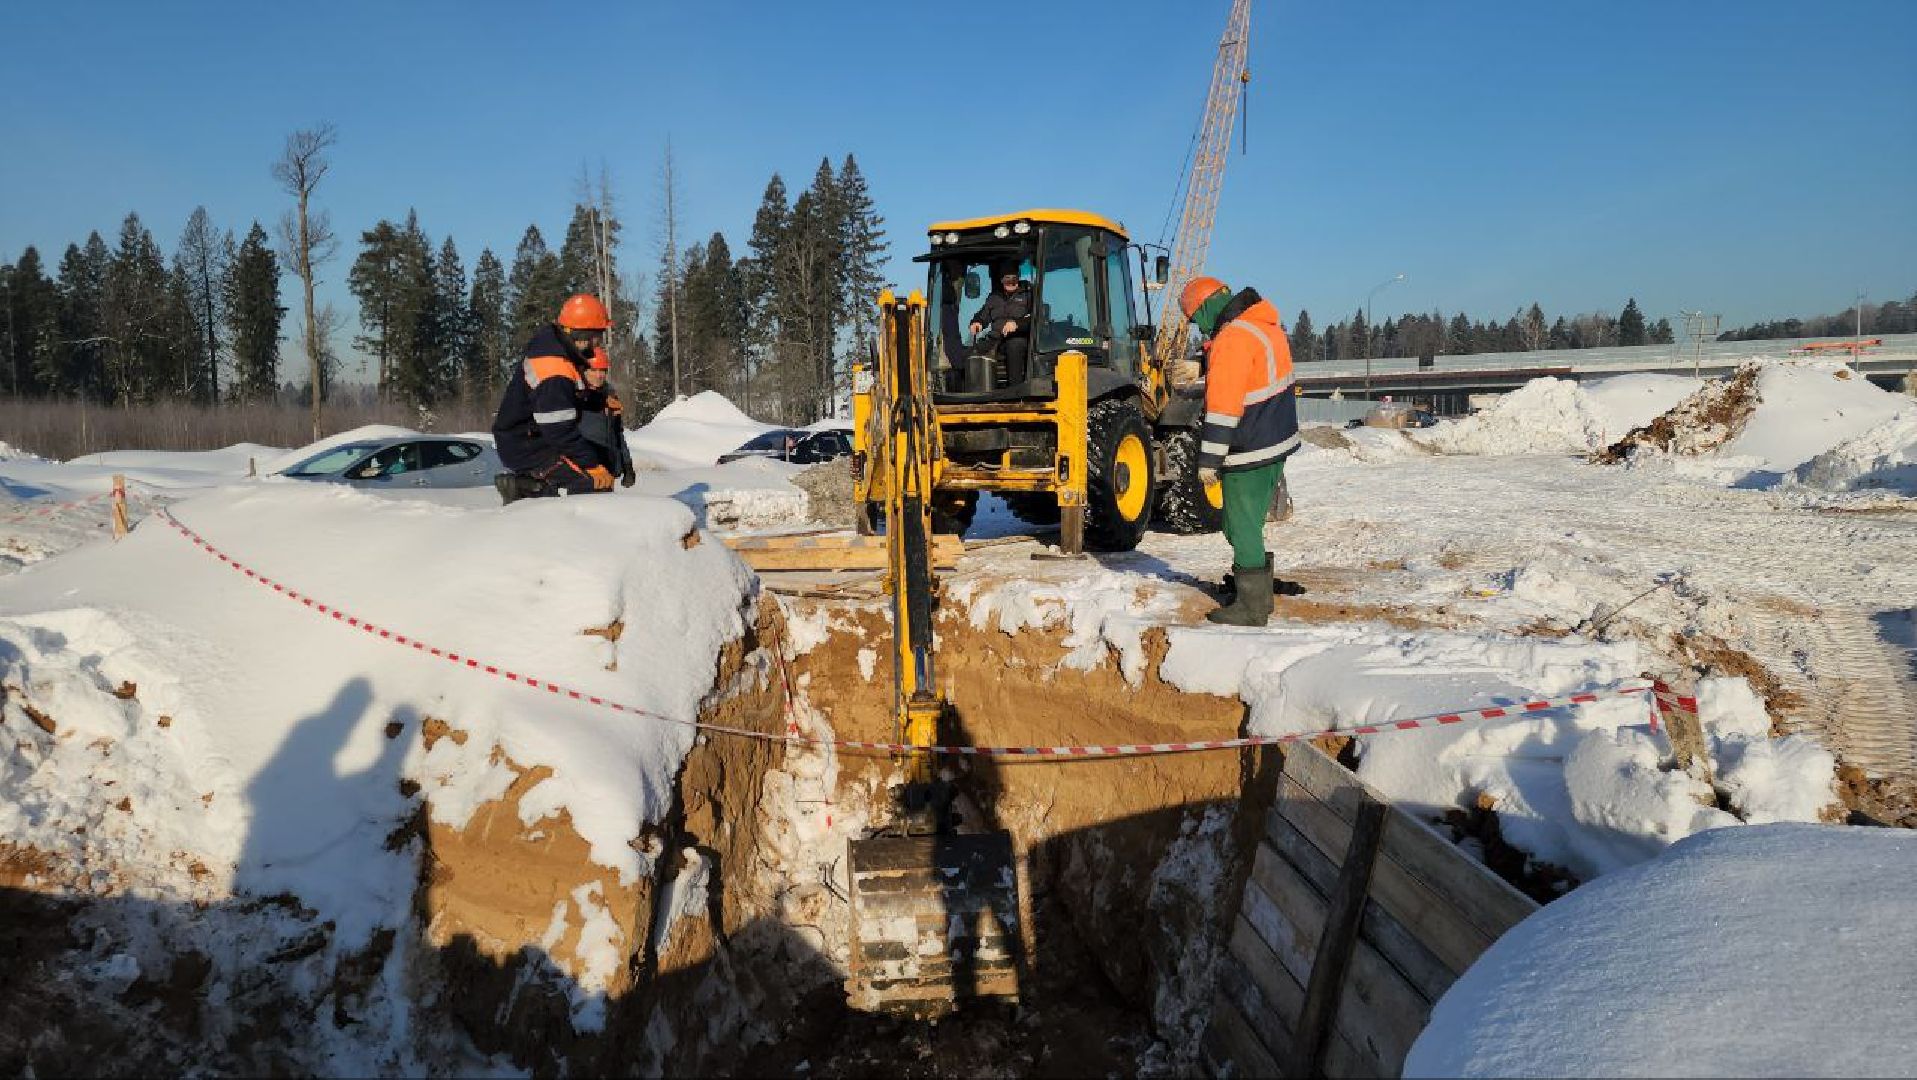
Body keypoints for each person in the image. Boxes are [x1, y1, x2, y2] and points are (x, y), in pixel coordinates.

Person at [1183, 275, 1300, 625]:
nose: (1197, 327)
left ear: (1205, 307)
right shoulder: (1261, 325)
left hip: (1250, 445)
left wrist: (1209, 459)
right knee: (1247, 522)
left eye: (1194, 318)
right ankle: (1255, 585)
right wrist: (1205, 362)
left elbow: (1224, 404)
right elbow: (1251, 371)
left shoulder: (1231, 339)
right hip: (1274, 440)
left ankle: (1252, 606)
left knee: (1239, 525)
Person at [491, 293, 618, 504]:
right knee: (594, 480)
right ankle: (581, 532)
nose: (598, 344)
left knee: (591, 468)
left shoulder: (558, 349)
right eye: (598, 336)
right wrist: (591, 464)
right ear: (581, 335)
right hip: (526, 444)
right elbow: (558, 428)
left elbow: (566, 398)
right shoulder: (554, 367)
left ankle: (533, 490)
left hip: (531, 438)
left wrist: (599, 400)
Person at [576, 351, 637, 488]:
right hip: (585, 470)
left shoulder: (610, 396)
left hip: (608, 468)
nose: (599, 375)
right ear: (584, 371)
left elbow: (618, 434)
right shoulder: (575, 396)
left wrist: (627, 465)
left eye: (603, 370)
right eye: (594, 370)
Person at [968, 267, 1034, 385]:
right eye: (1007, 279)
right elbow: (983, 315)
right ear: (1001, 280)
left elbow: (1036, 318)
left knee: (1015, 346)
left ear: (1018, 279)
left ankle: (1015, 390)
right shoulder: (994, 297)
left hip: (1019, 338)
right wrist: (977, 322)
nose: (1011, 283)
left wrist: (1017, 324)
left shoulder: (1028, 295)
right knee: (972, 352)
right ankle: (976, 391)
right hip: (996, 339)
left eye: (1014, 279)